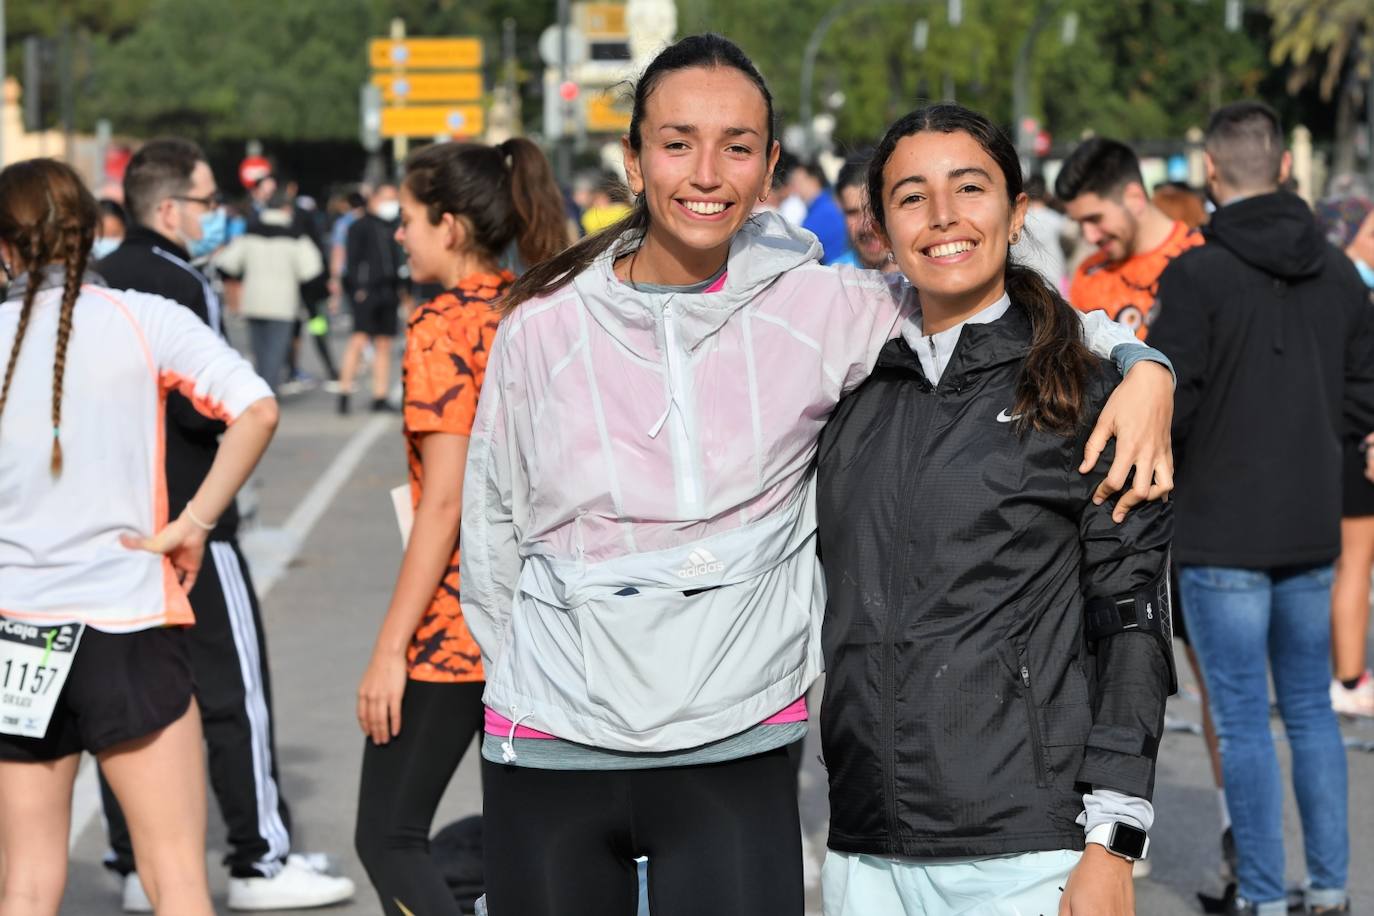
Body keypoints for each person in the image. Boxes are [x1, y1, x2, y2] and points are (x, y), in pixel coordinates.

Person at [458, 33, 1175, 916]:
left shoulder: (830, 312)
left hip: (752, 747)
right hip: (567, 740)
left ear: (768, 171)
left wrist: (1140, 363)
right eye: (677, 142)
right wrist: (537, 671)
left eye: (739, 146)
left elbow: (994, 301)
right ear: (634, 161)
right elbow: (489, 538)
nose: (706, 171)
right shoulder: (542, 327)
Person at [817, 101, 1173, 916]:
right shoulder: (845, 387)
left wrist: (1111, 842)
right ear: (882, 224)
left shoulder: (1091, 396)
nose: (943, 217)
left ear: (1016, 213)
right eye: (911, 196)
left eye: (969, 189)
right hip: (863, 845)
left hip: (1025, 849)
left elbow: (1132, 623)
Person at [0, 157, 278, 916]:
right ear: (95, 233)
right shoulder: (143, 318)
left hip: (16, 636)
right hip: (127, 622)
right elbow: (256, 409)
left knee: (23, 884)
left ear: (5, 249)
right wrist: (193, 524)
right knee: (175, 880)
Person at [96, 138, 354, 913]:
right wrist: (211, 505)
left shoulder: (102, 280)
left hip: (123, 524)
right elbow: (216, 404)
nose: (220, 218)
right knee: (234, 691)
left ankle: (134, 864)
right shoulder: (179, 282)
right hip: (193, 518)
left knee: (125, 700)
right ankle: (258, 857)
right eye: (210, 203)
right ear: (171, 208)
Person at [1149, 101, 1374, 916]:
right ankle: (1331, 890)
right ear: (1284, 167)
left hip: (1219, 529)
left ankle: (1265, 901)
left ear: (1211, 172)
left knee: (1242, 723)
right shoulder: (1342, 272)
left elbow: (1171, 400)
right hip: (1312, 524)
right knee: (1312, 715)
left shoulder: (1195, 274)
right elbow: (1362, 398)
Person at [352, 138, 568, 916]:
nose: (399, 233)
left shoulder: (442, 324)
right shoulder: (534, 307)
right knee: (514, 842)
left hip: (453, 626)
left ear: (449, 225)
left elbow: (443, 503)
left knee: (388, 837)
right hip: (532, 614)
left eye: (408, 219)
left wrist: (389, 651)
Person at [1317, 187, 1374, 717]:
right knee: (1354, 563)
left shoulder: (1318, 286)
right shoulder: (1351, 289)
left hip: (1323, 440)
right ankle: (1349, 676)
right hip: (1353, 441)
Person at [1057, 137, 1203, 338]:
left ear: (1134, 198)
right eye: (1080, 223)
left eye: (1095, 218)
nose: (1090, 236)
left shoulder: (1201, 256)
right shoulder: (1088, 274)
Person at [213, 189, 325, 394]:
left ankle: (260, 391)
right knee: (275, 353)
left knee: (260, 352)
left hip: (253, 301)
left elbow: (226, 264)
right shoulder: (294, 236)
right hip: (283, 304)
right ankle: (267, 395)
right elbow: (313, 269)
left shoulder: (251, 233)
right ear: (286, 209)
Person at [338, 182, 404, 414]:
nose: (391, 203)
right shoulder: (359, 226)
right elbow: (352, 261)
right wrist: (358, 287)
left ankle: (380, 395)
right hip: (366, 291)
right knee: (359, 339)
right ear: (374, 199)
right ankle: (344, 391)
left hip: (388, 290)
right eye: (387, 198)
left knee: (384, 343)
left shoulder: (392, 226)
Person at [831, 151, 894, 272]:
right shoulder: (834, 280)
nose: (866, 226)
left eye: (874, 209)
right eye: (852, 213)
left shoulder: (926, 278)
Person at [788, 158, 851, 264]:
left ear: (813, 180)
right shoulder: (828, 204)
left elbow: (796, 250)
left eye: (798, 181)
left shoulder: (821, 213)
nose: (795, 188)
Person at [1017, 174, 1070, 290]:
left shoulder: (1017, 221)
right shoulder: (1057, 220)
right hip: (1054, 282)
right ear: (1045, 194)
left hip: (1025, 283)